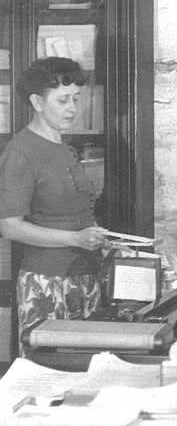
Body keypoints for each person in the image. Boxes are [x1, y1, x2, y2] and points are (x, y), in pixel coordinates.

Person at [0, 57, 110, 342]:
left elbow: (77, 209)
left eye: (76, 98)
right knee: (49, 371)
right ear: (37, 102)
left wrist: (100, 238)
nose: (73, 108)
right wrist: (75, 239)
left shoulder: (65, 148)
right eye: (63, 101)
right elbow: (10, 227)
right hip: (46, 284)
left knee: (85, 372)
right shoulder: (20, 152)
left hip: (84, 277)